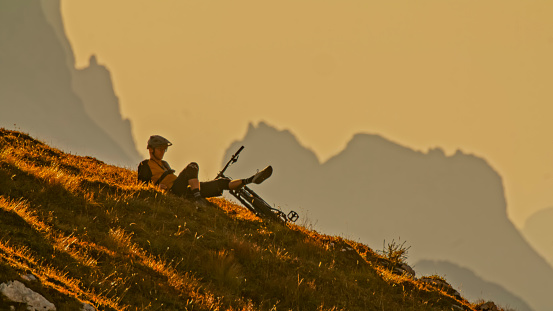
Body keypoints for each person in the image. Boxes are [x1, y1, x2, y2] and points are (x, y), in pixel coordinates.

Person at [138, 135, 272, 207]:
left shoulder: (165, 164)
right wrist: (157, 187)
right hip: (173, 190)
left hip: (183, 189)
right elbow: (141, 186)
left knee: (221, 183)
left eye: (164, 149)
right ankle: (198, 197)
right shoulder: (145, 165)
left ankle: (250, 180)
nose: (163, 152)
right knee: (192, 166)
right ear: (151, 150)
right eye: (160, 149)